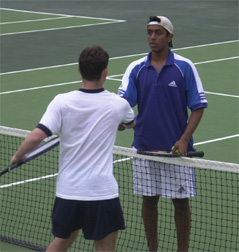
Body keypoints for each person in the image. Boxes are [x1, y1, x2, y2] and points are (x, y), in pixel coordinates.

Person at [11, 45, 136, 252]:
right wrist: (120, 124)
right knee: (106, 246)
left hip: (68, 191)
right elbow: (130, 123)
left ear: (79, 70)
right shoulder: (119, 104)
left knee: (63, 241)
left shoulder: (61, 101)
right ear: (105, 72)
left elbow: (36, 137)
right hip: (101, 193)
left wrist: (18, 155)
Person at [118, 16, 208, 252]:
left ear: (169, 37)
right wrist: (119, 121)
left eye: (158, 33)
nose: (152, 37)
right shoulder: (136, 68)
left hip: (176, 151)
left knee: (180, 202)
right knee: (149, 201)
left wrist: (185, 139)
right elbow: (122, 105)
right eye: (149, 32)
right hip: (145, 148)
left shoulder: (184, 67)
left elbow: (198, 107)